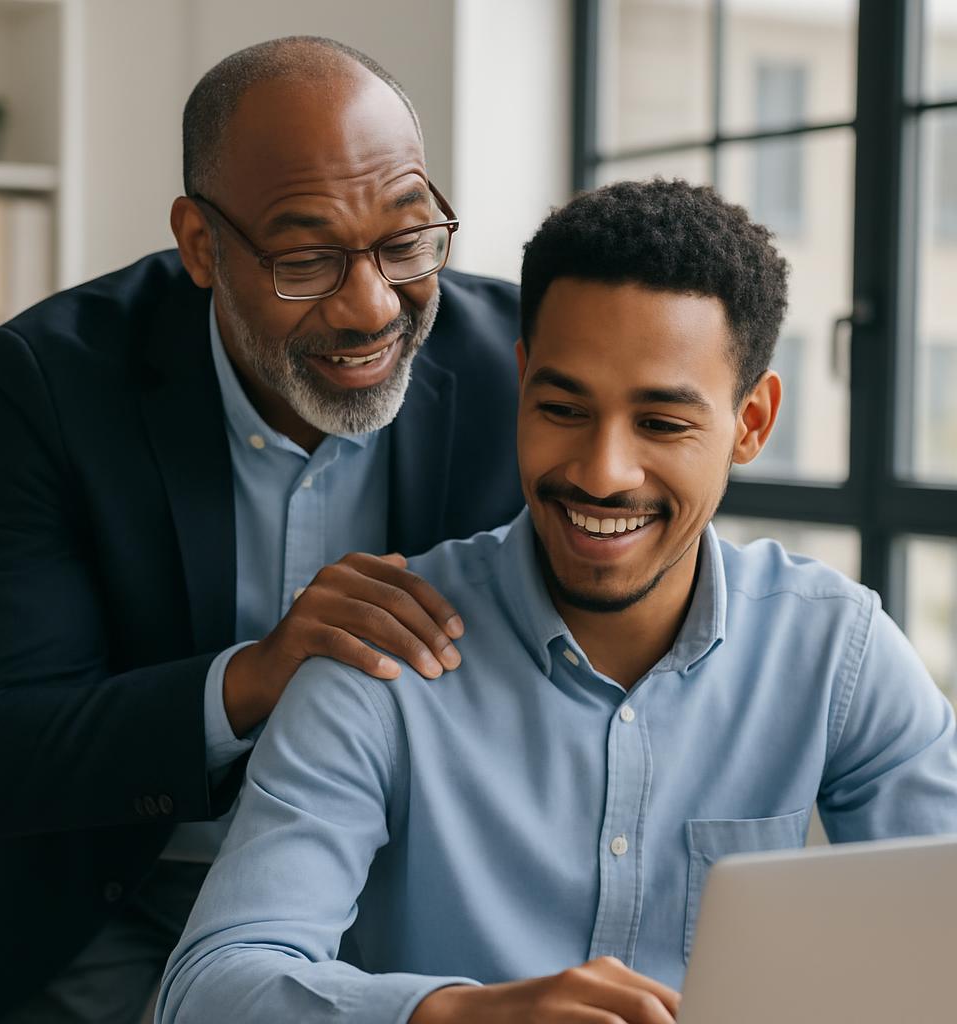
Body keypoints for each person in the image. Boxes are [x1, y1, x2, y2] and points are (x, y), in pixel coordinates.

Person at [156, 178, 957, 1024]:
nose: (603, 472)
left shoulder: (836, 650)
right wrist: (465, 1016)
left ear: (751, 422)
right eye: (564, 408)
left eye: (662, 424)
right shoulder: (384, 650)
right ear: (521, 382)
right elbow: (210, 988)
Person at [0, 37, 524, 1024]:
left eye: (406, 239)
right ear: (201, 244)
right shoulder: (50, 380)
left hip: (392, 907)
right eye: (306, 257)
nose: (371, 303)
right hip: (108, 902)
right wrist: (257, 674)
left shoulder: (518, 368)